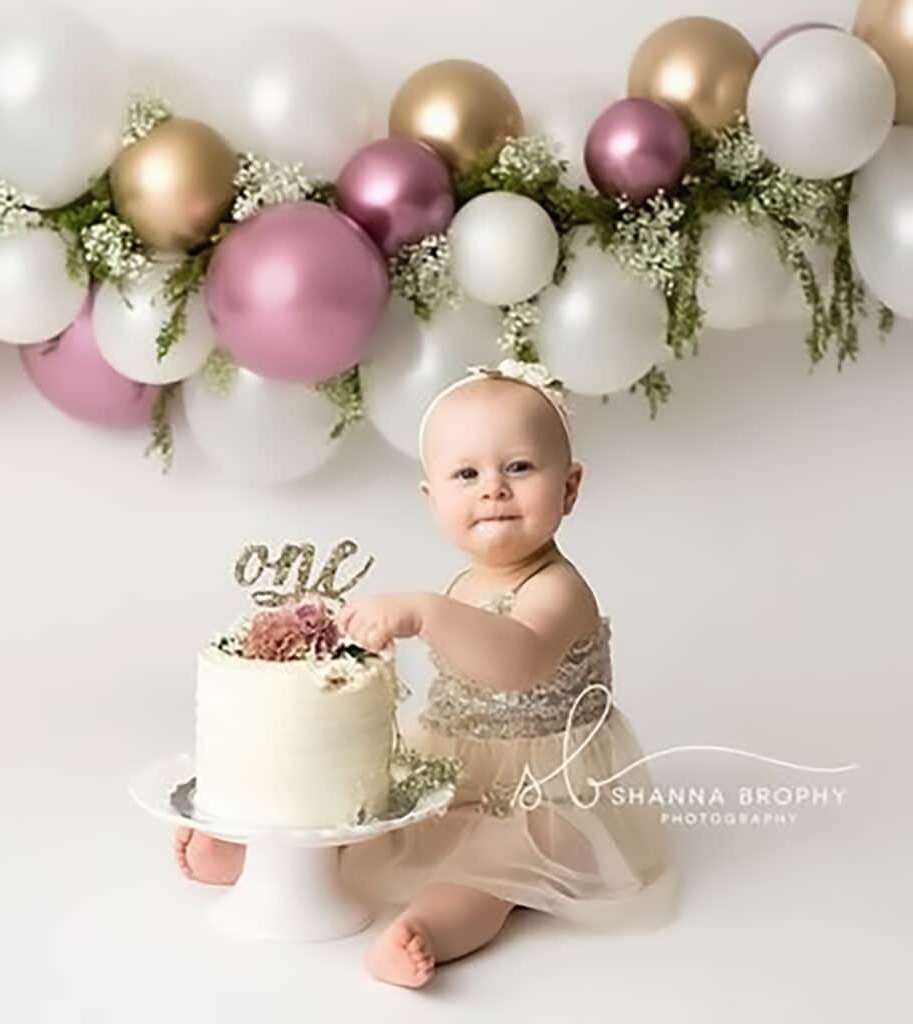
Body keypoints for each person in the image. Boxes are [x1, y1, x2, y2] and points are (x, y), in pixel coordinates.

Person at [175, 358, 678, 987]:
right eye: (466, 473)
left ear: (570, 487)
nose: (493, 487)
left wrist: (425, 612)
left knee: (496, 865)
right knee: (363, 802)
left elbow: (515, 661)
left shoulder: (558, 588)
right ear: (431, 497)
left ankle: (428, 930)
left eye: (519, 467)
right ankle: (269, 862)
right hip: (455, 759)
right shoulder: (467, 581)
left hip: (546, 790)